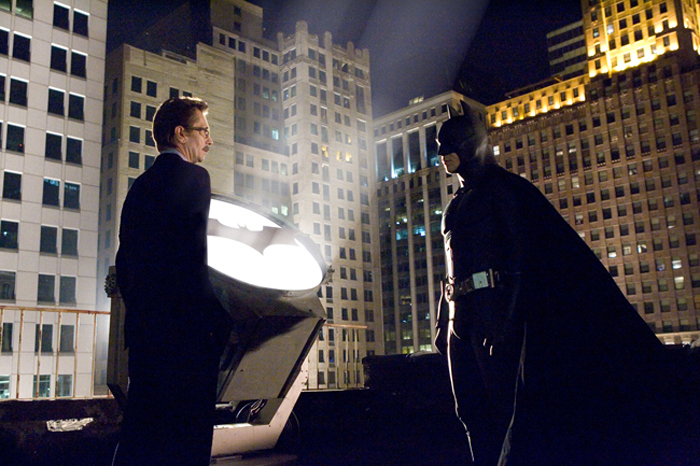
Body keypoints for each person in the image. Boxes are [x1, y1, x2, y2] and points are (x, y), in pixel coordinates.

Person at [434, 101, 675, 466]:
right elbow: (452, 267)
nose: (442, 154)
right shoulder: (455, 204)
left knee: (506, 412)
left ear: (470, 145)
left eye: (450, 145)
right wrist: (443, 320)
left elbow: (525, 260)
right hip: (460, 320)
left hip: (494, 314)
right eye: (441, 146)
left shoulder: (505, 190)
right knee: (469, 411)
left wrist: (509, 322)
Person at [113, 97, 232, 466]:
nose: (209, 140)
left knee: (143, 436)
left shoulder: (140, 186)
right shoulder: (196, 178)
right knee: (187, 440)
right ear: (181, 134)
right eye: (203, 131)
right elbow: (193, 258)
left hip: (146, 334)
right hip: (186, 337)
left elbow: (125, 262)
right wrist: (218, 320)